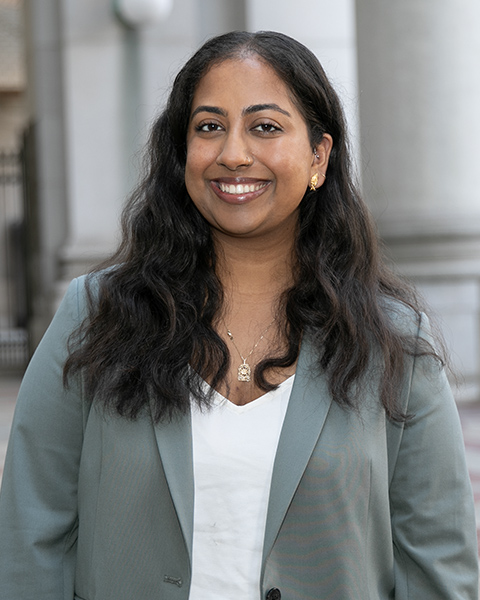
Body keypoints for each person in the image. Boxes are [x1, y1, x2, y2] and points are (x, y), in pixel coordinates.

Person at [0, 30, 477, 600]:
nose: (232, 152)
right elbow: (32, 534)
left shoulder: (394, 343)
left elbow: (438, 569)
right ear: (182, 154)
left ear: (319, 156)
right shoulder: (97, 316)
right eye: (209, 127)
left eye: (265, 127)